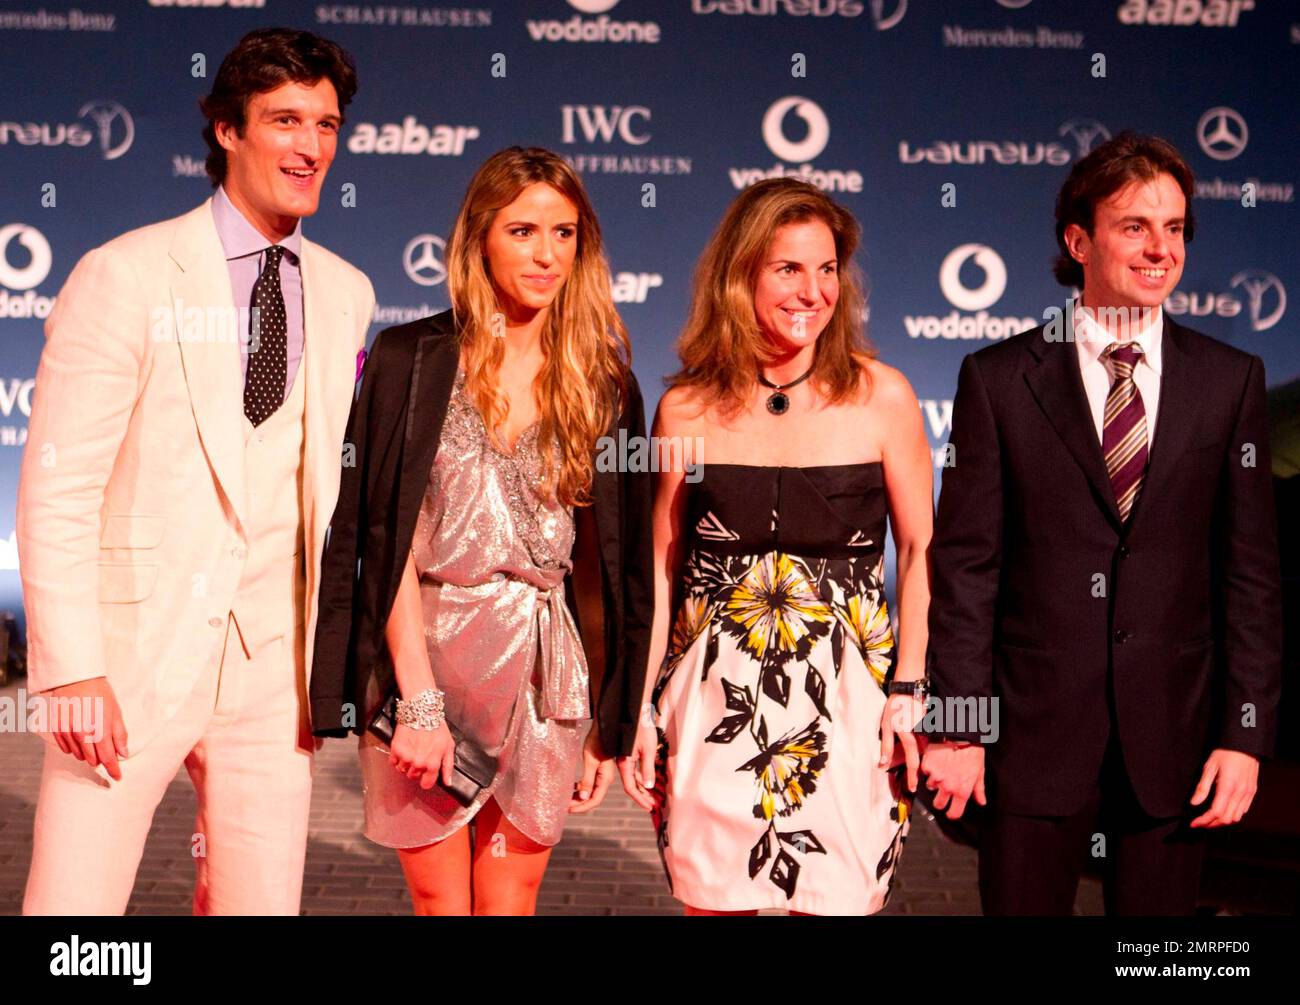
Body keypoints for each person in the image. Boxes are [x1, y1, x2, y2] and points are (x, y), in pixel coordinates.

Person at [18, 28, 374, 914]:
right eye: (286, 120)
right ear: (227, 131)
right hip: (127, 660)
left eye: (326, 125)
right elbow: (60, 485)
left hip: (272, 671)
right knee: (75, 917)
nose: (310, 147)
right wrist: (68, 668)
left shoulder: (346, 291)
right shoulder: (127, 273)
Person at [923, 131, 1283, 915]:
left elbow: (1250, 577)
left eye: (1176, 228)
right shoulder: (998, 380)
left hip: (1178, 747)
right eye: (1136, 227)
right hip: (1030, 741)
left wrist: (1244, 735)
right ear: (1078, 240)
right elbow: (965, 570)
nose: (1161, 249)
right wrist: (955, 728)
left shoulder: (1230, 382)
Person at [309, 146, 654, 916]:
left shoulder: (603, 378)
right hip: (428, 657)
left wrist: (609, 714)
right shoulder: (410, 358)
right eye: (523, 230)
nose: (546, 253)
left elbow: (619, 561)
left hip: (542, 672)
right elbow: (382, 535)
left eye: (564, 233)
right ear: (480, 238)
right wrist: (418, 700)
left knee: (511, 898)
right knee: (440, 902)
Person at [619, 178, 933, 915]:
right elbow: (662, 566)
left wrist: (911, 690)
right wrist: (639, 707)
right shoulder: (686, 406)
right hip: (709, 706)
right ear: (741, 274)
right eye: (789, 268)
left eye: (827, 269)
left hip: (851, 709)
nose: (814, 290)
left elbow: (921, 549)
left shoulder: (883, 395)